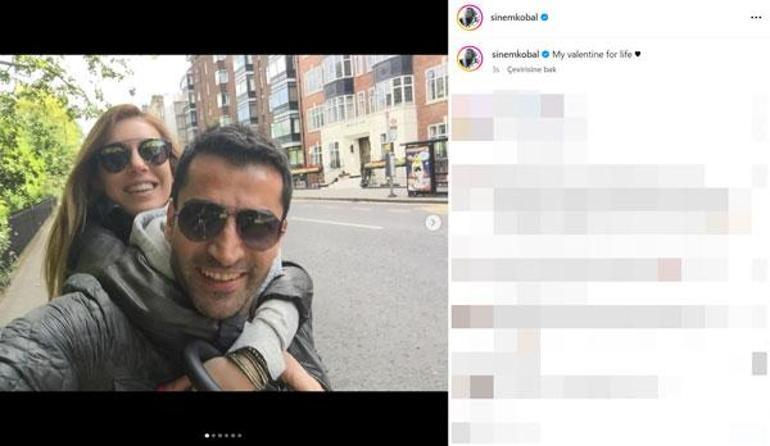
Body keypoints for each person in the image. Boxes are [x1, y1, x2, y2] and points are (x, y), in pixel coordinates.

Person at [0, 124, 329, 391]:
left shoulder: (278, 294)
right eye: (201, 219)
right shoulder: (95, 313)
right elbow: (31, 354)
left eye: (257, 226)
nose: (227, 253)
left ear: (281, 234)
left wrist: (263, 359)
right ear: (169, 221)